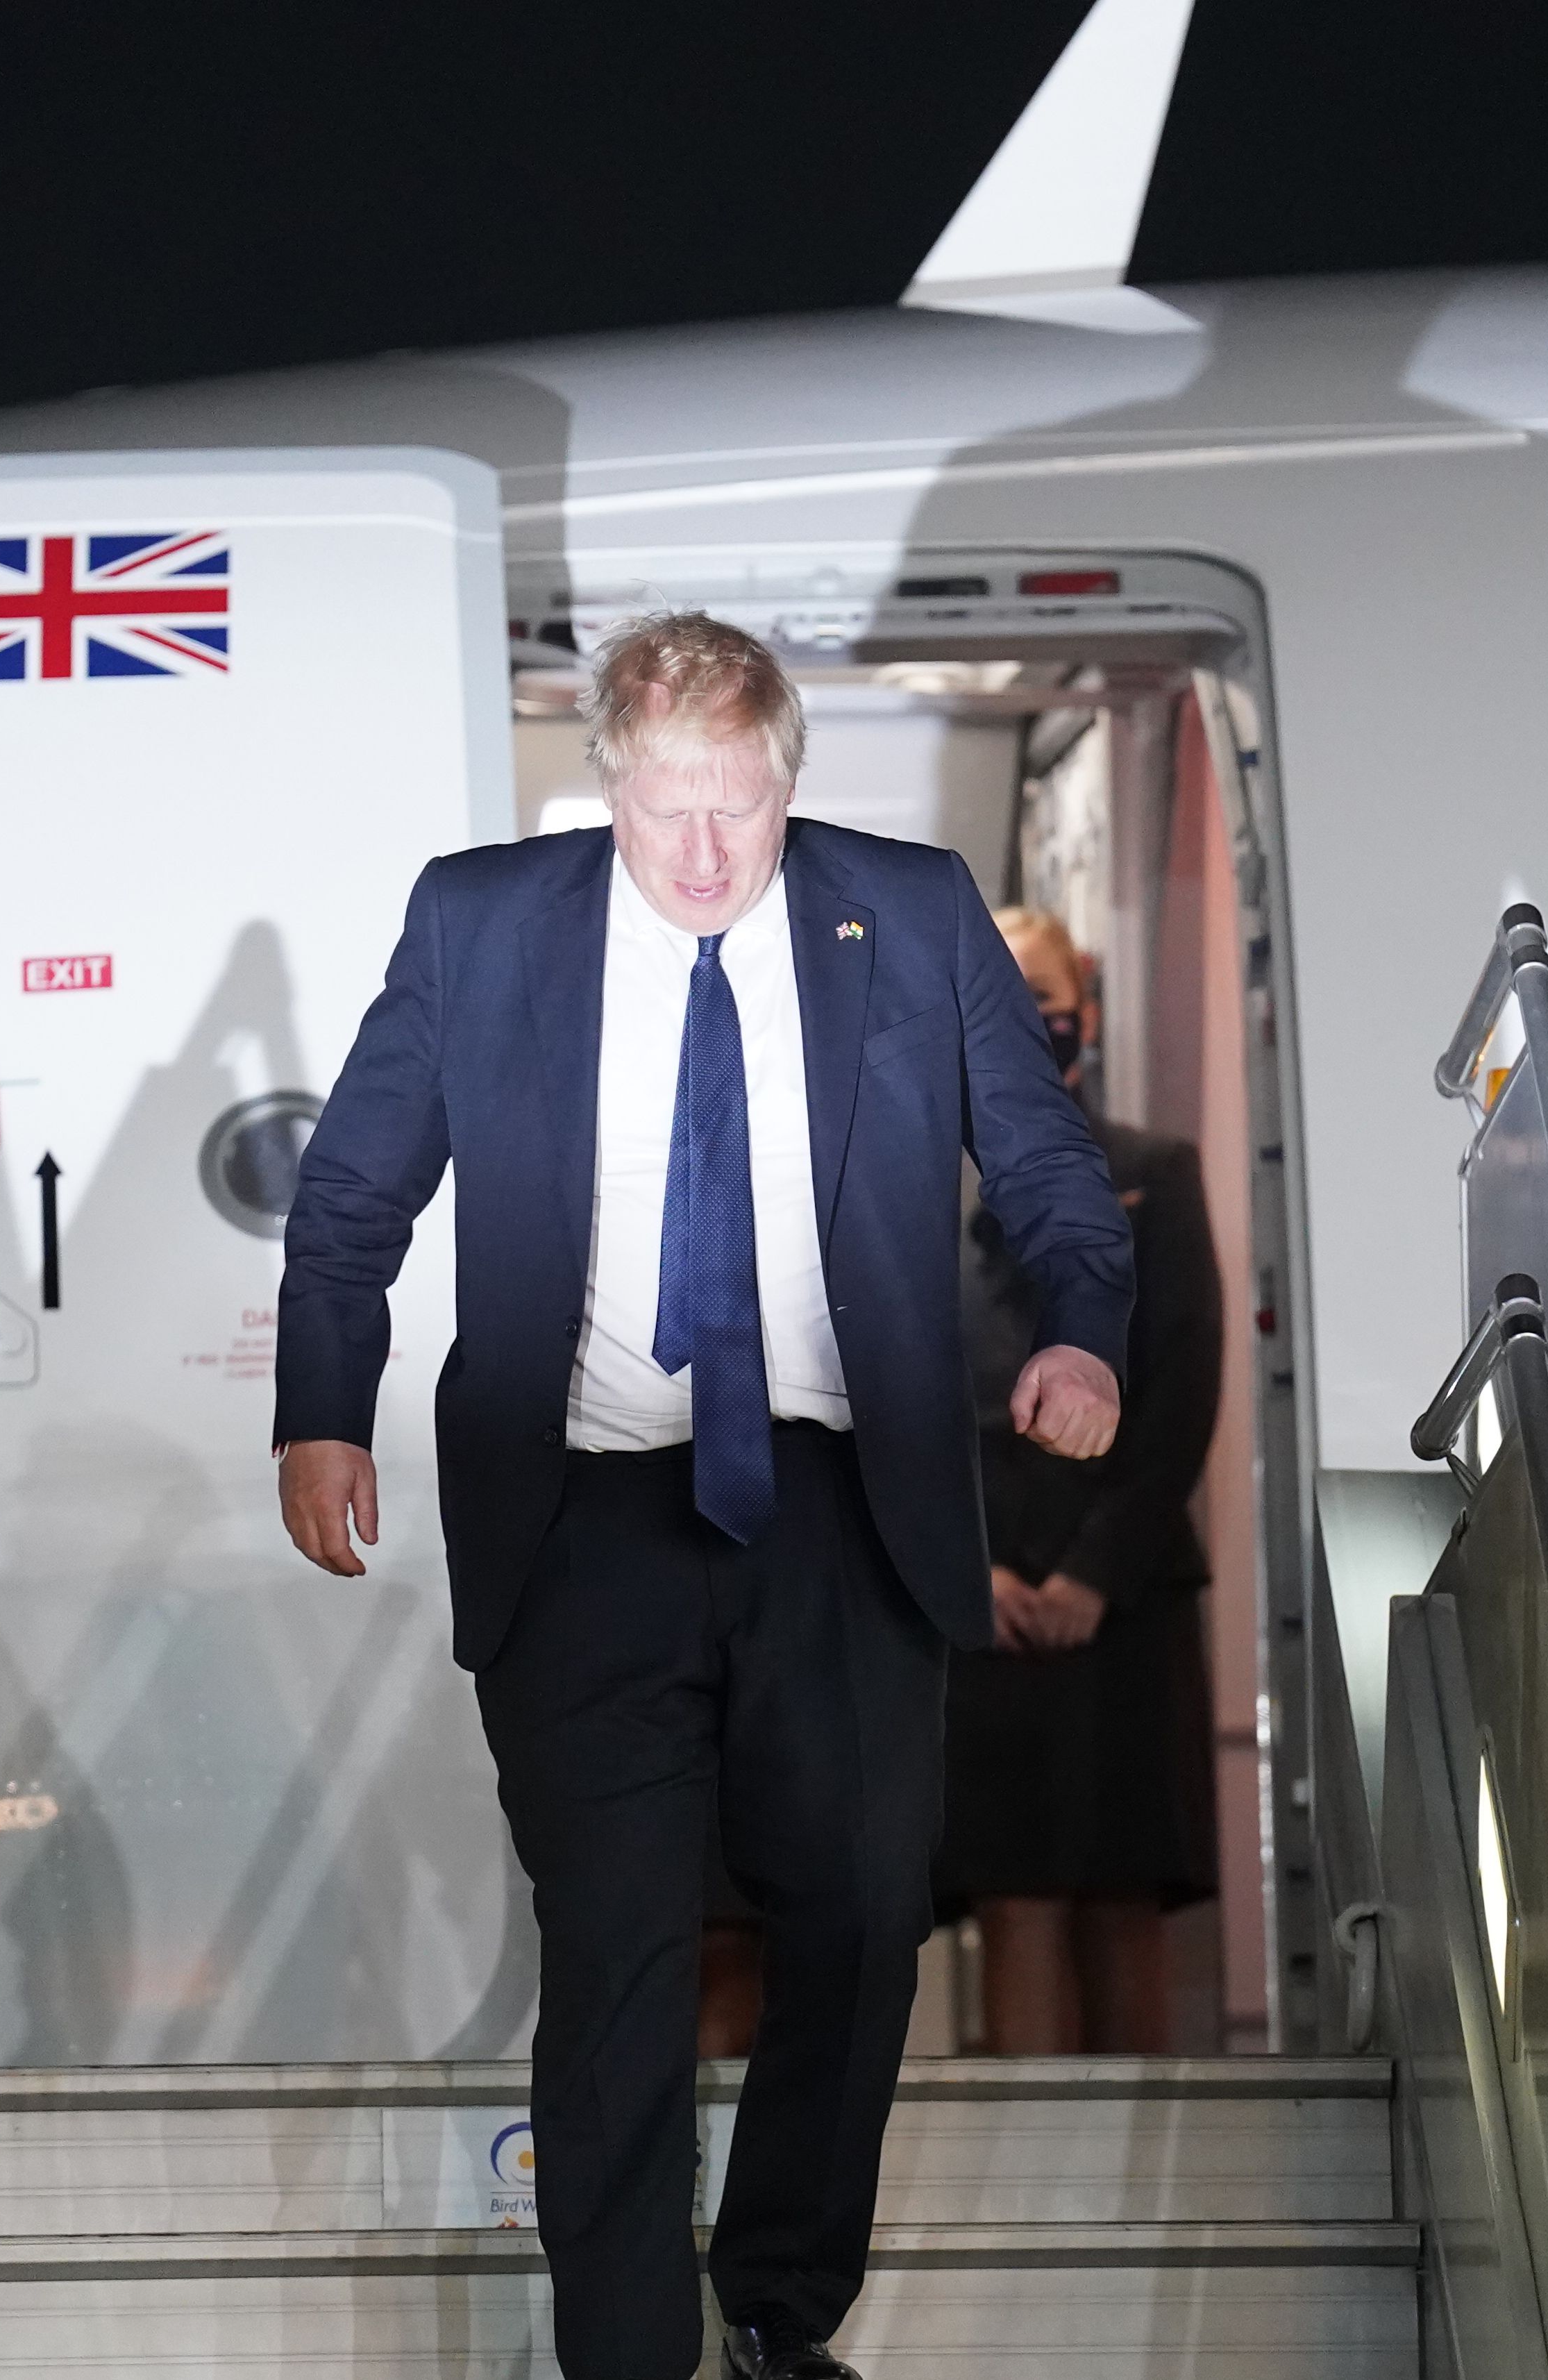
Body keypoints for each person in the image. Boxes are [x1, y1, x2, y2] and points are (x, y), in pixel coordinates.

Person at [272, 613, 1134, 2380]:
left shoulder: (906, 913)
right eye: (666, 806)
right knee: (620, 1940)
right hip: (588, 1521)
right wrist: (321, 1410)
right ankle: (627, 2354)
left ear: (787, 778)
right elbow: (353, 1194)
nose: (704, 853)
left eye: (738, 804)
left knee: (865, 1911)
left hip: (839, 1503)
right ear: (610, 785)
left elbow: (1046, 1165)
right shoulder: (482, 925)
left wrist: (1087, 1334)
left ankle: (777, 2310)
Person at [940, 909, 1225, 2053]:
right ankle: (1021, 2211)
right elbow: (885, 1402)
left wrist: (1092, 1572)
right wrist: (972, 1568)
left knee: (1123, 1896)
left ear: (1084, 1011)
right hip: (980, 1597)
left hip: (1124, 1593)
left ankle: (1144, 2214)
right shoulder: (904, 1188)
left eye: (1044, 997)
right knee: (1014, 1897)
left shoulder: (1155, 1172)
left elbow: (1183, 1387)